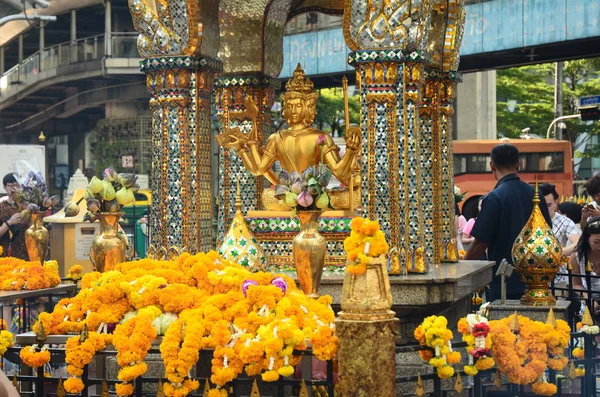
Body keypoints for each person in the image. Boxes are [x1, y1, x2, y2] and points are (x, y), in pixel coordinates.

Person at [464, 144, 552, 301]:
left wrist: (462, 268)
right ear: (518, 164)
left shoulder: (494, 198)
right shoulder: (536, 194)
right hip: (537, 282)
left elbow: (480, 243)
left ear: (492, 165)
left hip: (505, 280)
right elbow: (548, 234)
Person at [569, 217, 600, 315]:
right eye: (596, 242)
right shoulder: (577, 257)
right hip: (588, 305)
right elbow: (576, 284)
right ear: (587, 239)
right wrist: (588, 299)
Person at [540, 183, 580, 257]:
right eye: (541, 205)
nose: (545, 209)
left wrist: (558, 253)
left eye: (549, 205)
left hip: (558, 266)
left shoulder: (565, 222)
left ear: (556, 202)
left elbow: (578, 242)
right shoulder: (528, 220)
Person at [0, 174, 29, 260]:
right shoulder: (1, 207)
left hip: (25, 253)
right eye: (11, 185)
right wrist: (9, 223)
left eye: (17, 185)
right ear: (5, 187)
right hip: (6, 255)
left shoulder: (27, 206)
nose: (14, 188)